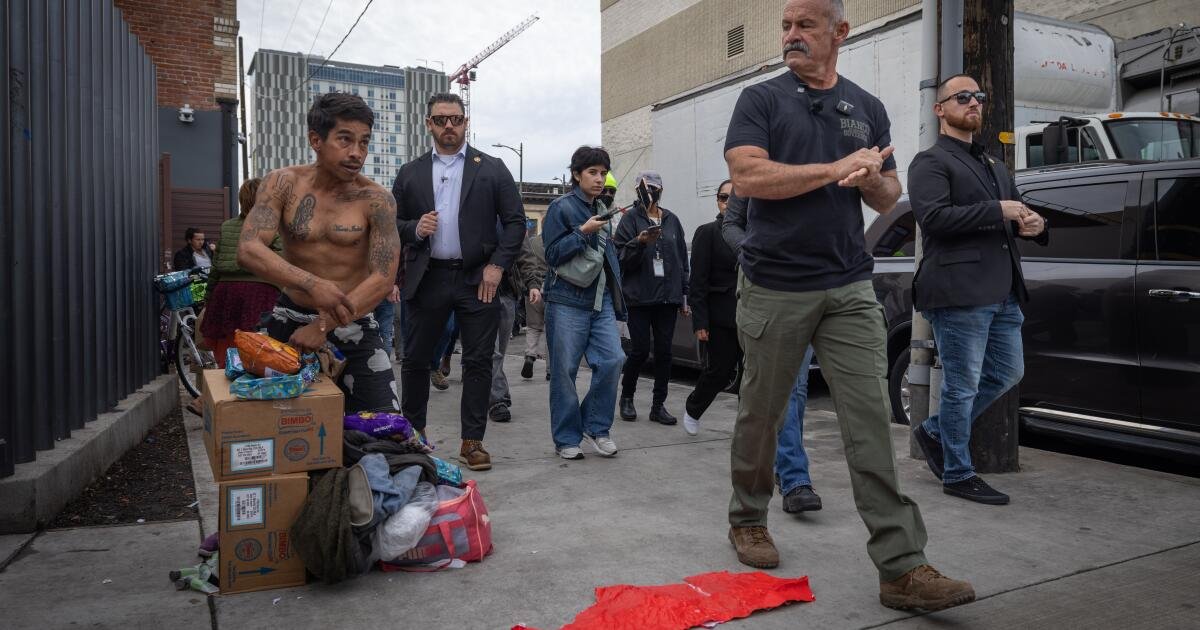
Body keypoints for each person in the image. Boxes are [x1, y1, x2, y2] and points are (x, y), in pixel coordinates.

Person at [723, 0, 974, 611]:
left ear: (839, 32)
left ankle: (902, 566)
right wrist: (834, 166)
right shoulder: (761, 100)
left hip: (849, 285)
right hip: (775, 283)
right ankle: (748, 516)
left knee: (869, 423)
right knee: (762, 413)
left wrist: (869, 177)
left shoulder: (866, 107)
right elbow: (749, 177)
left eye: (805, 25)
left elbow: (888, 196)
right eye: (786, 25)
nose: (791, 35)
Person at [907, 74, 1048, 505]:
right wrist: (996, 209)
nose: (974, 103)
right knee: (961, 385)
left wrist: (1036, 224)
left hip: (1003, 291)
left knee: (1007, 372)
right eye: (963, 97)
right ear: (940, 109)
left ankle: (935, 432)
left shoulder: (994, 165)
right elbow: (934, 220)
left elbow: (1017, 214)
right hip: (959, 292)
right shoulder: (930, 162)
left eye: (979, 97)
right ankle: (957, 473)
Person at [237, 92, 401, 415]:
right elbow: (249, 248)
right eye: (345, 139)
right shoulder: (282, 184)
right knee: (276, 423)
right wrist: (312, 284)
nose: (356, 153)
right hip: (290, 318)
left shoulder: (377, 200)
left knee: (385, 425)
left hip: (353, 320)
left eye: (364, 142)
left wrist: (324, 324)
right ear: (316, 140)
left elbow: (383, 279)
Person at [392, 93, 526, 472]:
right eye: (440, 120)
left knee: (478, 361)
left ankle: (472, 441)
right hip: (427, 277)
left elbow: (516, 222)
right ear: (428, 124)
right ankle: (414, 434)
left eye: (455, 119)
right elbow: (391, 224)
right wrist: (414, 228)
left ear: (466, 122)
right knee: (416, 360)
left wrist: (497, 266)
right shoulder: (411, 172)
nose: (448, 126)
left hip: (477, 279)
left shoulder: (492, 168)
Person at [717, 189, 823, 514]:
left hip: (814, 288)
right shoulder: (755, 171)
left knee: (797, 389)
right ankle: (794, 477)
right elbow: (731, 225)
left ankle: (786, 468)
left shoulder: (823, 169)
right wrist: (754, 255)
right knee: (782, 390)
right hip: (768, 291)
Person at [542, 146, 626, 460]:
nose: (599, 179)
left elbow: (606, 256)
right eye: (592, 172)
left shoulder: (604, 206)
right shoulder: (561, 207)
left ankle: (595, 427)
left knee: (613, 360)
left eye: (603, 173)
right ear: (577, 175)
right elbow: (552, 255)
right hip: (566, 299)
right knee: (564, 371)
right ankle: (566, 438)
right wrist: (582, 231)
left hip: (600, 299)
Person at [614, 171, 689, 425]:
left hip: (668, 298)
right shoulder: (630, 219)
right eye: (646, 188)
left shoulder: (672, 220)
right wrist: (639, 242)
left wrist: (684, 294)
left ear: (661, 190)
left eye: (654, 188)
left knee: (665, 352)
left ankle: (658, 406)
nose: (650, 193)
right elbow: (620, 258)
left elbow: (682, 260)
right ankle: (627, 397)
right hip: (639, 297)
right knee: (640, 350)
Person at [200, 178, 282, 368]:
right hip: (260, 292)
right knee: (262, 349)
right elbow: (282, 261)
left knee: (227, 347)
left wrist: (208, 297)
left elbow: (215, 267)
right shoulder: (274, 225)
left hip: (225, 292)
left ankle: (227, 381)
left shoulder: (227, 226)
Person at [682, 180, 740, 434]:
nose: (727, 202)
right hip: (721, 316)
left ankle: (748, 428)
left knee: (753, 376)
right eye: (723, 197)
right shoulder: (708, 232)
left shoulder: (754, 231)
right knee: (720, 371)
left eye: (734, 197)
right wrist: (700, 322)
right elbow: (698, 281)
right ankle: (694, 408)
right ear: (717, 201)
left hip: (753, 315)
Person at [487, 235, 544, 423]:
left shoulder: (512, 223)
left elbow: (526, 256)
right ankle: (498, 399)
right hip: (479, 293)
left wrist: (533, 284)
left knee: (499, 353)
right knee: (492, 352)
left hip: (507, 293)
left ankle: (486, 388)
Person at [520, 231, 550, 381]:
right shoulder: (556, 240)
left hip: (533, 286)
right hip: (551, 287)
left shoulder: (532, 241)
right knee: (551, 330)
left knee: (533, 326)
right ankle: (550, 369)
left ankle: (530, 355)